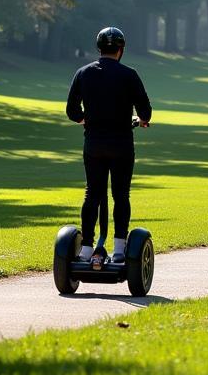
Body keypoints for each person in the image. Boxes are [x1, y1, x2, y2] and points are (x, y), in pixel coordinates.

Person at [65, 26, 152, 268]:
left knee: (92, 194)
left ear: (99, 48)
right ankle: (120, 247)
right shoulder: (129, 74)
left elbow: (72, 111)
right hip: (121, 144)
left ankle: (86, 248)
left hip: (94, 144)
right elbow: (145, 112)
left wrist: (88, 118)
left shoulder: (83, 73)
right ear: (121, 50)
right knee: (121, 195)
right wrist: (140, 119)